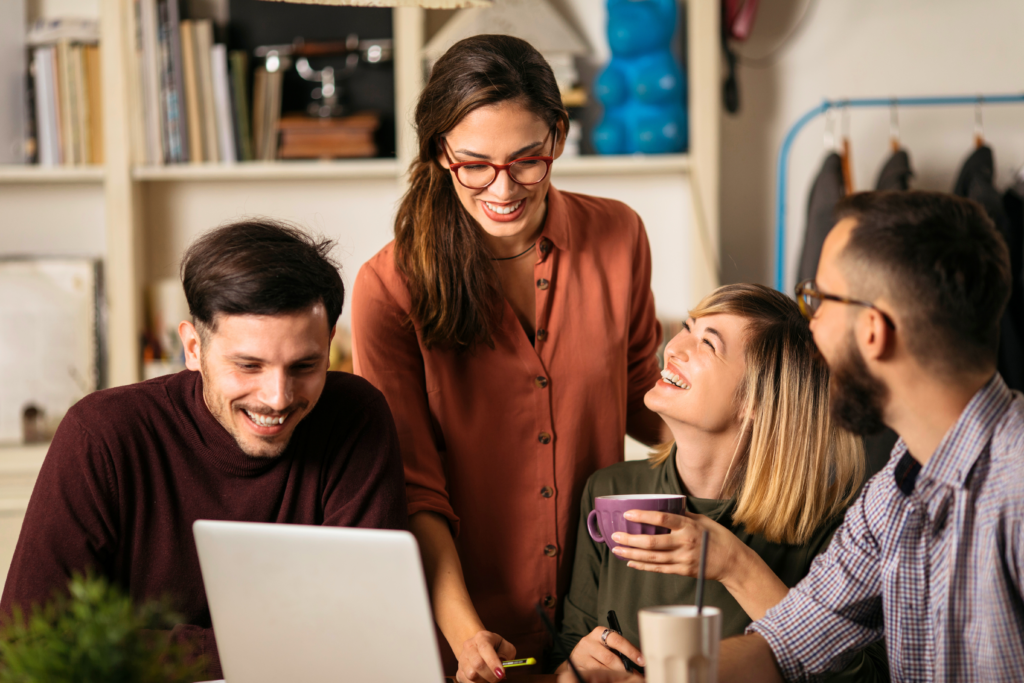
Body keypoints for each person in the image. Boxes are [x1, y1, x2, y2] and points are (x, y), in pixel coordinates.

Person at [561, 191, 1024, 683]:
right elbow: (795, 643)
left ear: (872, 331)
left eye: (818, 301)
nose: (809, 331)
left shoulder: (1014, 483)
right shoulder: (896, 490)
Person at [351, 35, 665, 682]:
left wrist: (750, 434)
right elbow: (414, 487)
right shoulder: (389, 288)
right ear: (441, 151)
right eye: (475, 163)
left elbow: (641, 394)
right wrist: (468, 637)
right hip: (465, 636)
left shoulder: (620, 235)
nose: (503, 188)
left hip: (600, 622)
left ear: (558, 135)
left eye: (527, 160)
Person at [1, 220, 408, 681]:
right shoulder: (101, 436)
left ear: (329, 345)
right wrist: (259, 647)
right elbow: (25, 644)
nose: (277, 397)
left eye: (304, 366)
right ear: (193, 348)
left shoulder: (356, 418)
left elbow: (367, 631)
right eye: (248, 365)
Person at [558, 283, 887, 680]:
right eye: (687, 327)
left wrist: (735, 565)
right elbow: (570, 646)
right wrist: (578, 663)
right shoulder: (607, 491)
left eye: (708, 344)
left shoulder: (833, 531)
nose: (675, 347)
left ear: (759, 402)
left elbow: (865, 677)